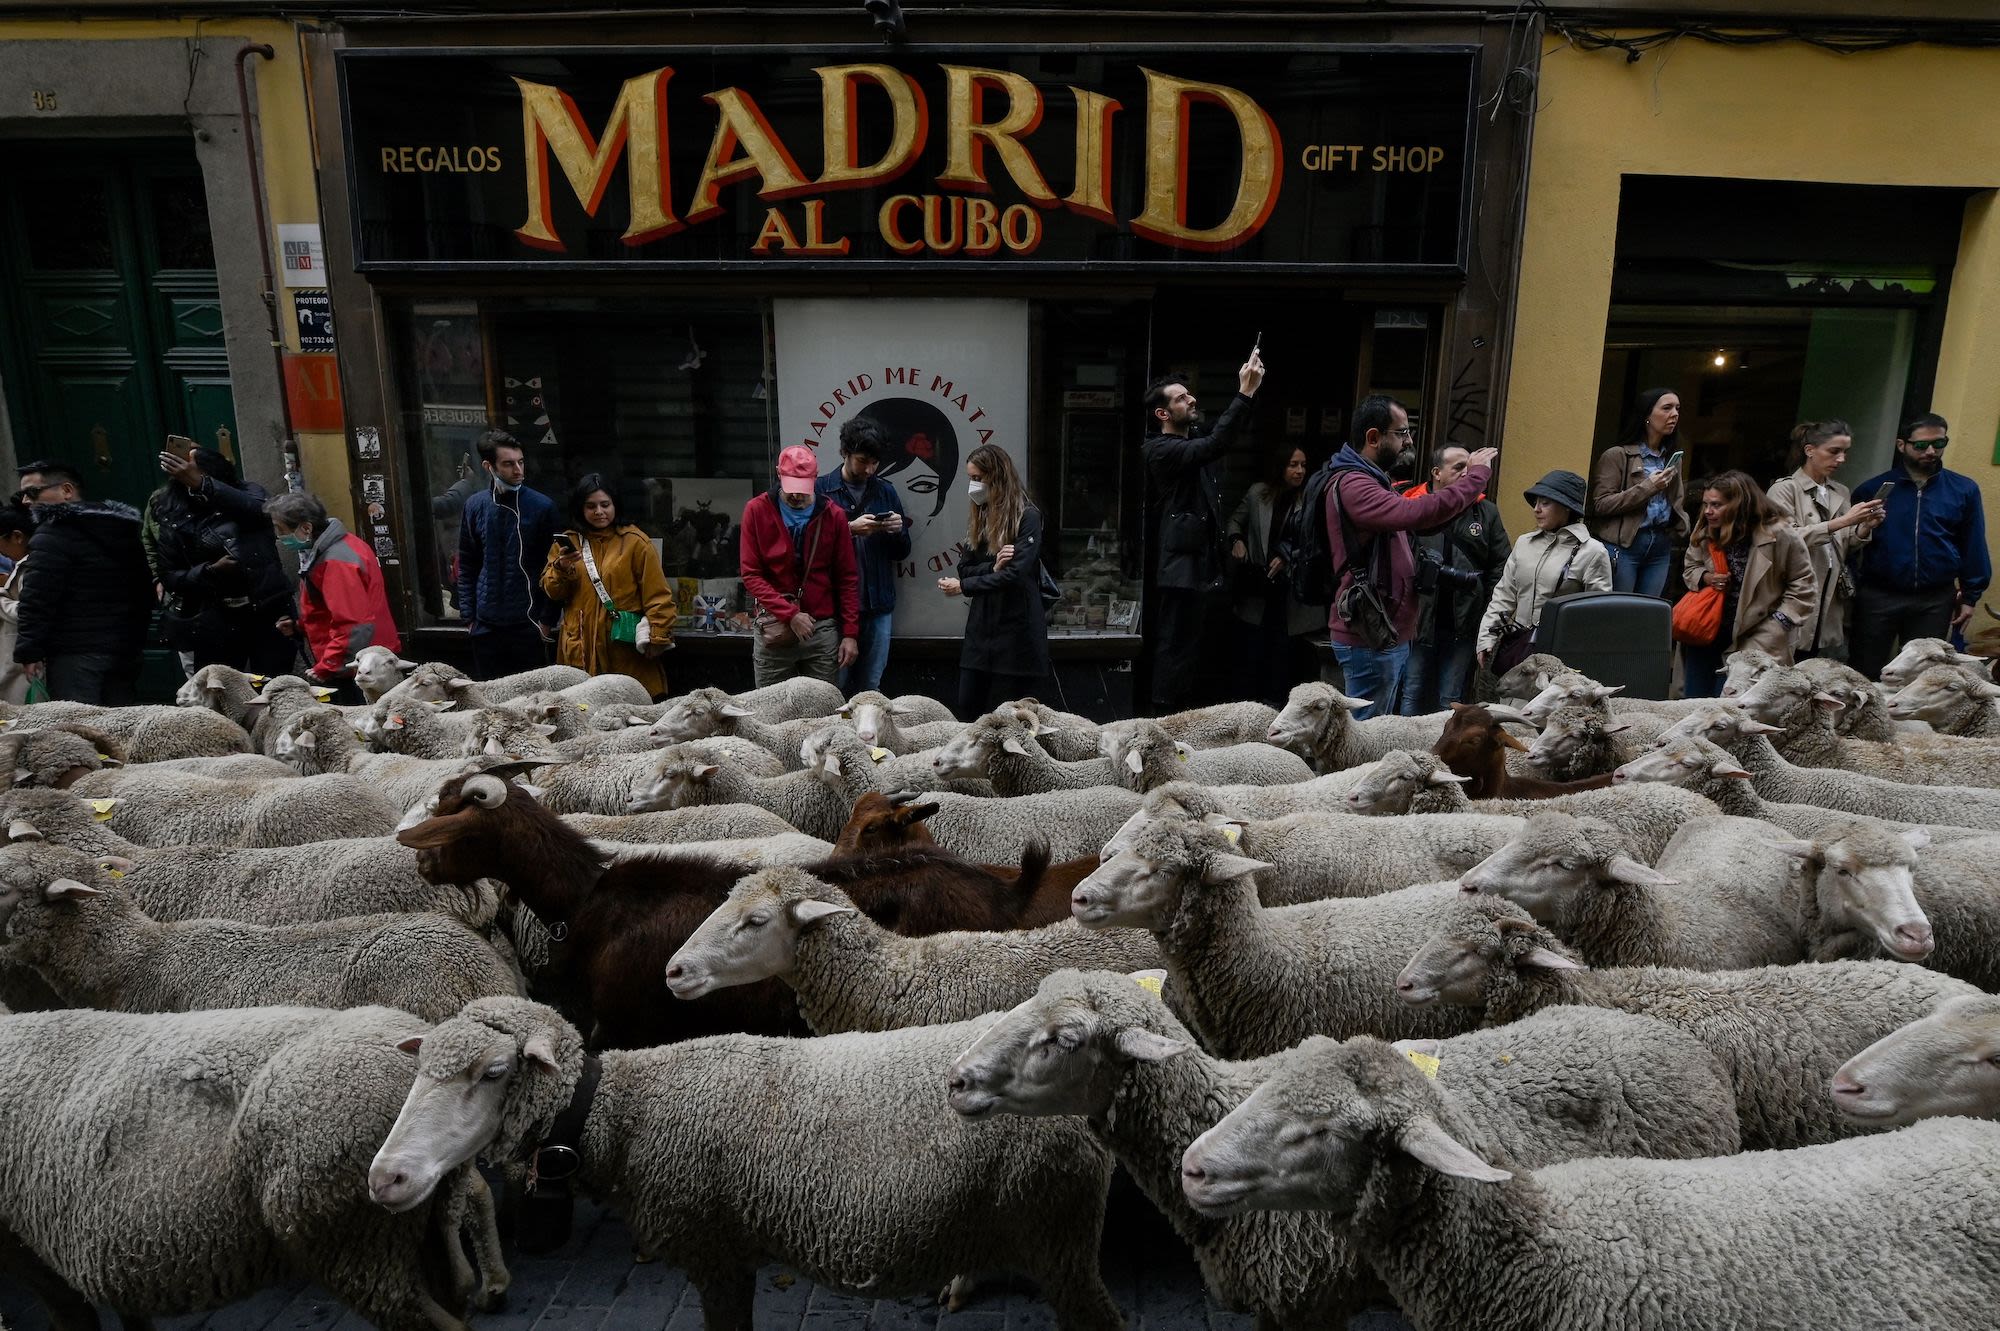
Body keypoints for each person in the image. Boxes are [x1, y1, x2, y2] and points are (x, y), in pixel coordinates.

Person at [1323, 395, 1496, 718]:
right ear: (1373, 438)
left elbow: (1422, 520)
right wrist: (1476, 477)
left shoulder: (1373, 479)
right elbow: (1416, 512)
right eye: (1401, 433)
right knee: (1362, 738)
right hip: (1369, 636)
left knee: (1375, 732)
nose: (1409, 440)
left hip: (1383, 632)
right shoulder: (1355, 484)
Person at [1140, 353, 1265, 712]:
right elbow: (1215, 444)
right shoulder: (1160, 449)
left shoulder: (1191, 440)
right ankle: (1164, 722)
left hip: (1203, 567)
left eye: (1189, 393)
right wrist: (1243, 393)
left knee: (1198, 653)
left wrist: (1249, 398)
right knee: (1174, 649)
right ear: (1163, 414)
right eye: (1180, 398)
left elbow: (1220, 438)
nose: (1191, 398)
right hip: (1179, 571)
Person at [1848, 412, 1991, 682]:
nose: (1931, 451)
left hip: (1934, 598)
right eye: (1922, 445)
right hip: (1879, 594)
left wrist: (1971, 595)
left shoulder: (1963, 489)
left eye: (1939, 444)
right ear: (1902, 445)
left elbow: (1973, 543)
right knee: (1864, 669)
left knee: (1924, 677)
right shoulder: (1873, 489)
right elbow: (1849, 544)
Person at [11, 460, 153, 705]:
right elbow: (143, 588)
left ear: (67, 490)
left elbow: (38, 598)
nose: (25, 501)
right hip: (123, 649)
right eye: (22, 494)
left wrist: (29, 650)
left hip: (75, 653)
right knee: (121, 726)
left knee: (79, 730)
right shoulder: (120, 529)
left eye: (32, 493)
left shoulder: (52, 534)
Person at [150, 445, 298, 677]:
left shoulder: (248, 492)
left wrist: (203, 485)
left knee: (273, 687)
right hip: (216, 615)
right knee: (217, 690)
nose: (189, 476)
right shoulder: (174, 512)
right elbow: (170, 575)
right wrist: (209, 571)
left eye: (196, 472)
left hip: (267, 608)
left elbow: (260, 511)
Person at [1679, 470, 1817, 698]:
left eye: (1716, 505)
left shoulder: (1779, 534)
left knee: (1731, 706)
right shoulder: (1706, 528)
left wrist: (1779, 623)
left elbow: (1804, 585)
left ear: (1738, 505)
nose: (1708, 511)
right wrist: (1706, 577)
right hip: (1706, 629)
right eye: (1705, 504)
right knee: (1693, 702)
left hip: (1755, 635)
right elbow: (1690, 566)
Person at [539, 474, 677, 698]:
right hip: (579, 649)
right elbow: (553, 592)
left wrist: (658, 637)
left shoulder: (635, 541)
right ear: (580, 509)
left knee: (624, 714)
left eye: (605, 505)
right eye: (591, 506)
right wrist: (561, 567)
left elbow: (658, 596)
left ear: (615, 505)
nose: (599, 512)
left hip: (622, 649)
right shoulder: (569, 541)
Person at [938, 444, 1049, 719]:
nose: (973, 486)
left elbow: (1015, 574)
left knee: (1007, 714)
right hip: (981, 628)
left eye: (978, 478)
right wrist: (993, 565)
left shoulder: (1028, 516)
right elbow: (965, 568)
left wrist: (965, 587)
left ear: (996, 477)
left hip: (1015, 630)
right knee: (968, 704)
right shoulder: (981, 513)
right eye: (970, 478)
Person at [1765, 420, 1885, 662]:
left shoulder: (1839, 491)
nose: (1841, 459)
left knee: (1815, 664)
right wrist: (1843, 521)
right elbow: (1783, 538)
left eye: (1845, 452)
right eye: (1834, 451)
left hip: (1829, 597)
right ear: (1810, 451)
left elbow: (1844, 543)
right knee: (1783, 663)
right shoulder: (1785, 489)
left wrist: (1863, 527)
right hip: (1793, 593)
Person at [740, 444, 859, 686]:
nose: (796, 495)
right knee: (770, 710)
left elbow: (847, 579)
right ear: (778, 475)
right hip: (773, 626)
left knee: (824, 710)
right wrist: (790, 614)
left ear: (814, 478)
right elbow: (751, 575)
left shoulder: (833, 515)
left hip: (821, 627)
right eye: (791, 488)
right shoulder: (756, 510)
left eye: (803, 489)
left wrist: (850, 634)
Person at [1403, 445, 1510, 713]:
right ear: (1437, 473)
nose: (1467, 473)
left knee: (1450, 699)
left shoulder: (1486, 511)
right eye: (1459, 467)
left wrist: (1486, 610)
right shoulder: (1411, 506)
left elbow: (1500, 564)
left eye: (1470, 467)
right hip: (1418, 619)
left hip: (1463, 621)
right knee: (1410, 693)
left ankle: (1444, 753)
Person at [266, 491, 401, 702]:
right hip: (362, 658)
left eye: (281, 530)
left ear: (306, 528)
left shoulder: (337, 561)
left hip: (360, 667)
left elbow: (352, 623)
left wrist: (327, 665)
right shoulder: (341, 546)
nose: (279, 537)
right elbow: (335, 610)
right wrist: (300, 627)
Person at [1475, 470, 1613, 677]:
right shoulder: (1524, 543)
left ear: (1566, 507)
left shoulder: (1592, 551)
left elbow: (1598, 617)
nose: (1536, 509)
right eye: (1536, 502)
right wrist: (1487, 638)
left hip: (1563, 659)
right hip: (1519, 652)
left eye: (1546, 503)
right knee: (1512, 708)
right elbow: (1504, 596)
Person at [815, 417, 910, 694]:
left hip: (878, 605)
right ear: (845, 452)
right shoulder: (821, 491)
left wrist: (897, 531)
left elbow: (902, 552)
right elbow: (804, 552)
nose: (869, 469)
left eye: (875, 462)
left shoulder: (886, 491)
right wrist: (848, 530)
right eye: (862, 461)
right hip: (833, 609)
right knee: (835, 689)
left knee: (871, 690)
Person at [1226, 445, 1324, 705]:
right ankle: (1249, 705)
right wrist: (1237, 540)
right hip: (1258, 585)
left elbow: (1316, 541)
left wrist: (1287, 555)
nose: (1299, 470)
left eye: (1303, 465)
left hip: (1290, 590)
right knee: (1252, 649)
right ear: (1281, 466)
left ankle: (1276, 705)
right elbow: (1234, 520)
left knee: (1284, 653)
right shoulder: (1259, 494)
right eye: (1293, 464)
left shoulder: (1311, 499)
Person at [456, 429, 557, 679]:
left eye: (521, 462)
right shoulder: (476, 505)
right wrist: (469, 617)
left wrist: (546, 619)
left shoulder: (542, 506)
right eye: (509, 464)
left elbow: (555, 568)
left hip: (528, 623)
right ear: (489, 466)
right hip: (485, 625)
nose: (518, 470)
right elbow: (467, 563)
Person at [1590, 387, 1687, 598]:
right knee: (1618, 611)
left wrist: (1681, 525)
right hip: (1625, 545)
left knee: (1646, 612)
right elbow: (1601, 504)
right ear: (1647, 415)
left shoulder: (1671, 458)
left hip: (1660, 544)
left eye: (1677, 408)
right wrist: (1649, 487)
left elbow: (1675, 500)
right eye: (1667, 408)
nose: (1675, 414)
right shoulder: (1617, 455)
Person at [0, 506, 35, 705]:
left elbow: (27, 611)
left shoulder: (31, 566)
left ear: (17, 537)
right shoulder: (22, 564)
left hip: (24, 663)